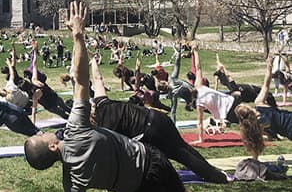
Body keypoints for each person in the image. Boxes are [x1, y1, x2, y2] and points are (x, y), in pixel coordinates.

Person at [24, 2, 256, 192]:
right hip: (151, 163)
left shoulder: (72, 181)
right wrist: (78, 35)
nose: (43, 131)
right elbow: (83, 80)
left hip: (142, 187)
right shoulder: (76, 130)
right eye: (42, 136)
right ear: (52, 148)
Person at [90, 55, 228, 183]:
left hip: (150, 130)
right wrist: (93, 61)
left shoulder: (104, 130)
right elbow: (97, 78)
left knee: (182, 155)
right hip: (157, 117)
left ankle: (217, 177)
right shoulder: (101, 103)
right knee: (184, 148)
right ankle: (213, 171)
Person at [191, 44, 241, 144]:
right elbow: (198, 68)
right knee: (250, 118)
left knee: (246, 123)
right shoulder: (199, 86)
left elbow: (200, 123)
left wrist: (200, 139)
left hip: (228, 110)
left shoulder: (199, 104)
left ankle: (265, 132)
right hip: (232, 99)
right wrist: (195, 51)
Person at [237, 55, 292, 143]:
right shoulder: (259, 105)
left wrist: (269, 68)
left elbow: (266, 85)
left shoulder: (257, 120)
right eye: (246, 107)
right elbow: (266, 85)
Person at [168, 43, 195, 122]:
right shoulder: (172, 80)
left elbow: (177, 64)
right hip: (186, 91)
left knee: (173, 109)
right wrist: (178, 53)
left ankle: (173, 124)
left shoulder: (171, 93)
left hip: (185, 92)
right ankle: (189, 103)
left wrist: (178, 53)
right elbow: (177, 64)